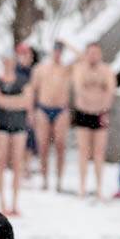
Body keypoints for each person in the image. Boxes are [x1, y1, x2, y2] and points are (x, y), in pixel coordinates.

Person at [71, 43, 117, 200]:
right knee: (83, 151)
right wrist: (96, 96)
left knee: (99, 152)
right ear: (86, 54)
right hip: (83, 113)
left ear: (100, 54)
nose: (93, 56)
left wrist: (101, 105)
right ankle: (82, 187)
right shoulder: (79, 69)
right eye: (90, 53)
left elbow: (110, 91)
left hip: (101, 113)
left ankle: (98, 188)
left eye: (96, 53)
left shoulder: (107, 70)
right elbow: (79, 90)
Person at [0, 56, 33, 216]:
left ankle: (15, 203)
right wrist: (17, 101)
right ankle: (2, 202)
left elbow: (27, 101)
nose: (8, 64)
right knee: (1, 162)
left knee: (17, 163)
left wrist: (6, 100)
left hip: (19, 126)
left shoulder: (23, 80)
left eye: (11, 61)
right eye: (6, 61)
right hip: (1, 126)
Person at [30, 40, 73, 192]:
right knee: (43, 146)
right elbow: (32, 91)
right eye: (55, 50)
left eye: (60, 51)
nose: (57, 54)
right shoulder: (40, 69)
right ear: (51, 51)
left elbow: (83, 58)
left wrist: (67, 44)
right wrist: (31, 112)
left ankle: (59, 180)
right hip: (43, 109)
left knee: (61, 145)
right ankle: (44, 179)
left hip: (61, 110)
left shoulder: (67, 69)